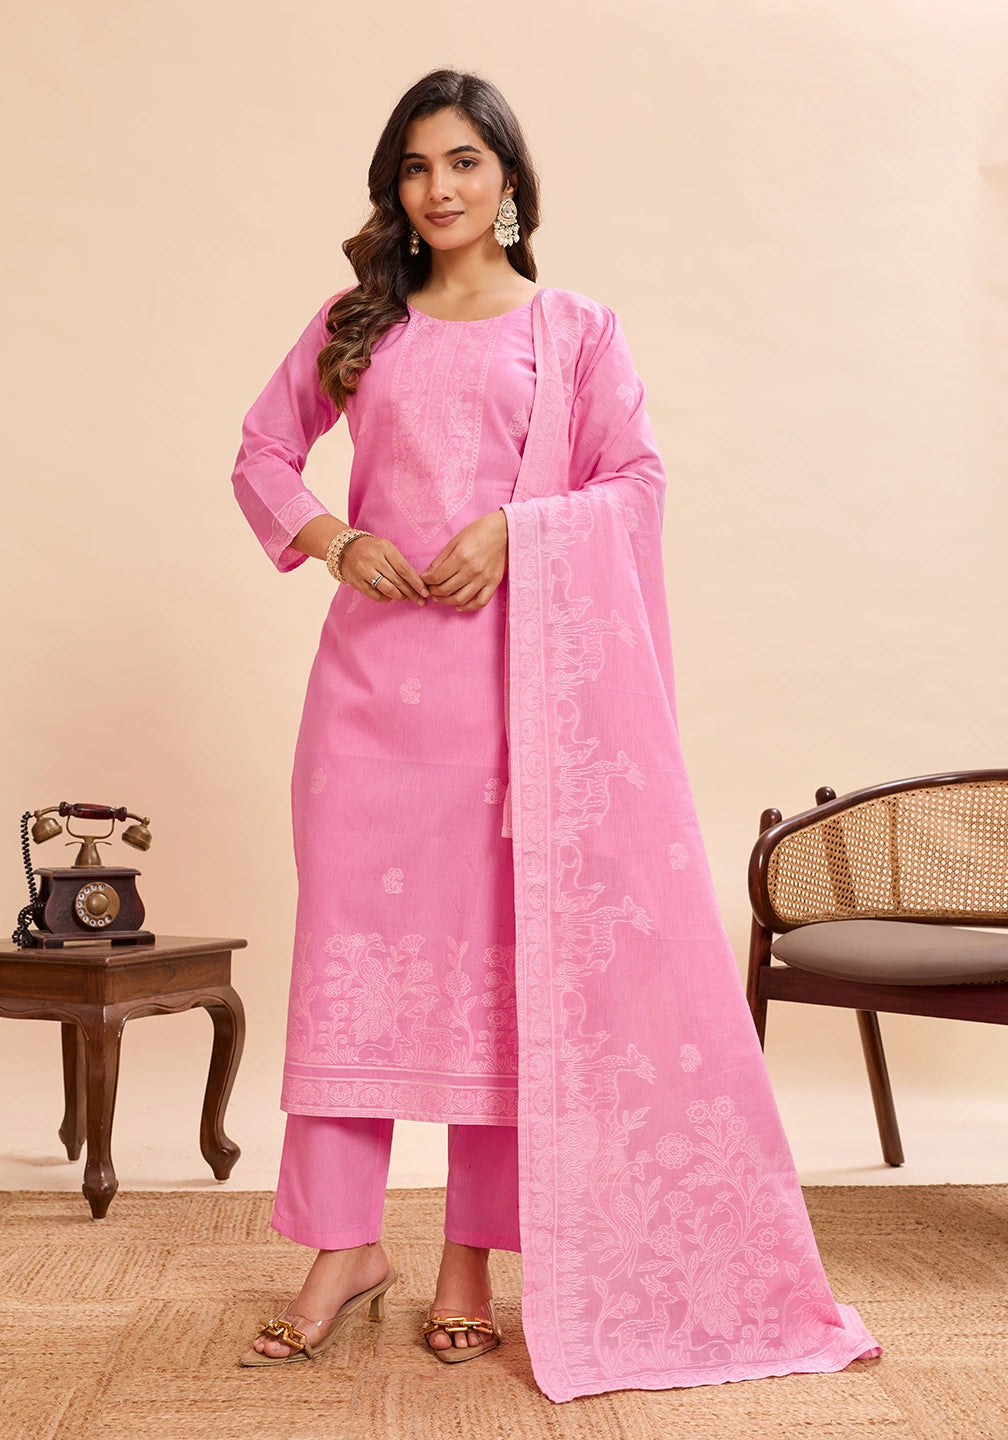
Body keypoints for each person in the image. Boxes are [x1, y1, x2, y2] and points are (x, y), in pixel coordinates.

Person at [230, 68, 882, 1401]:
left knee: (490, 992)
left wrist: (513, 535)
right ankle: (344, 1250)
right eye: (415, 168)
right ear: (394, 191)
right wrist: (339, 538)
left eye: (464, 162)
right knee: (350, 982)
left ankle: (471, 1261)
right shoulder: (360, 327)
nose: (440, 189)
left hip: (512, 715)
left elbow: (634, 486)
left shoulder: (574, 334)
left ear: (513, 183)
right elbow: (258, 454)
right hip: (364, 706)